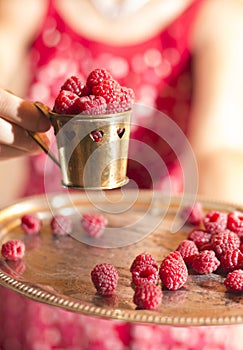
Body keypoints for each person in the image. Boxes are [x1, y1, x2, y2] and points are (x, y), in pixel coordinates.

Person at [0, 0, 243, 348]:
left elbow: (219, 146)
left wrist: (228, 239)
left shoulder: (216, 11)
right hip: (49, 270)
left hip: (160, 275)